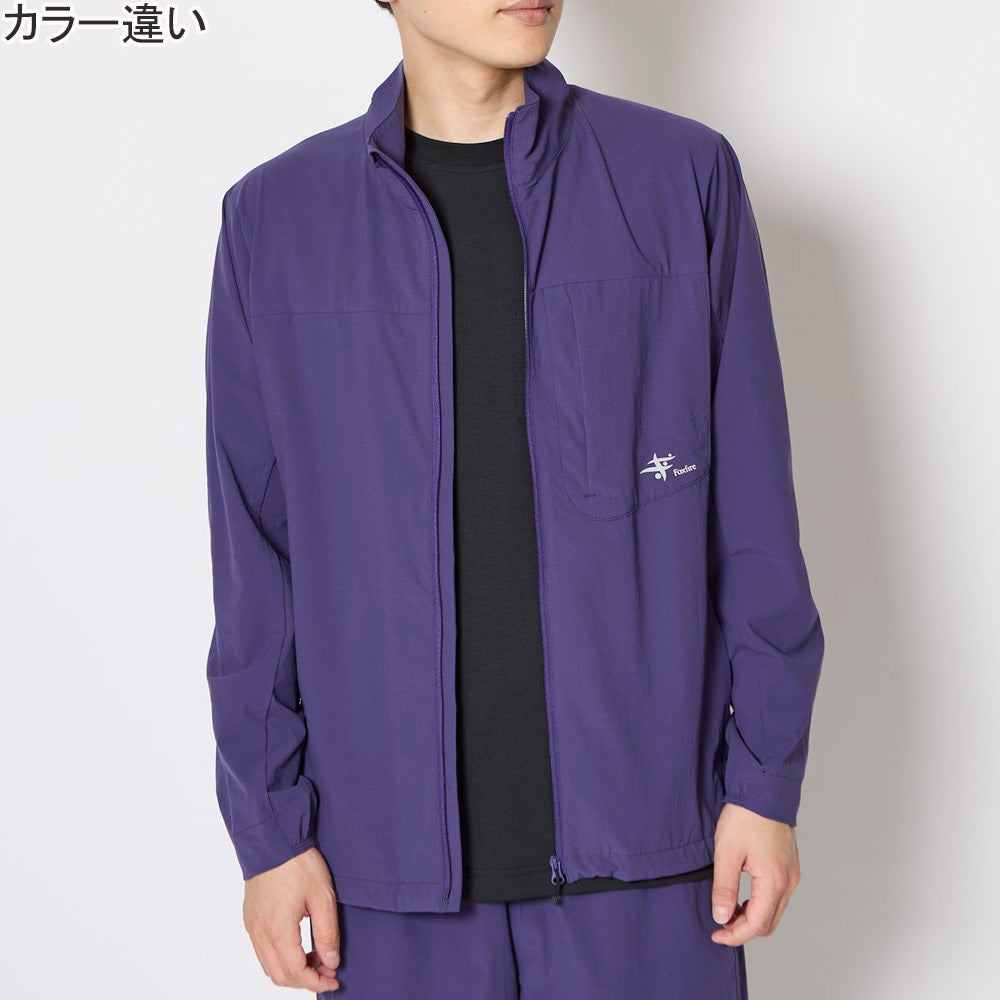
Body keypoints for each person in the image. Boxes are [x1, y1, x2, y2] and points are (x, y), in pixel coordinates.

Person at [202, 1, 825, 996]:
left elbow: (753, 521)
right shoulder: (276, 220)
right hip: (383, 884)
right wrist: (271, 834)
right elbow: (256, 563)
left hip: (651, 862)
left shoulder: (679, 177)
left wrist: (763, 784)